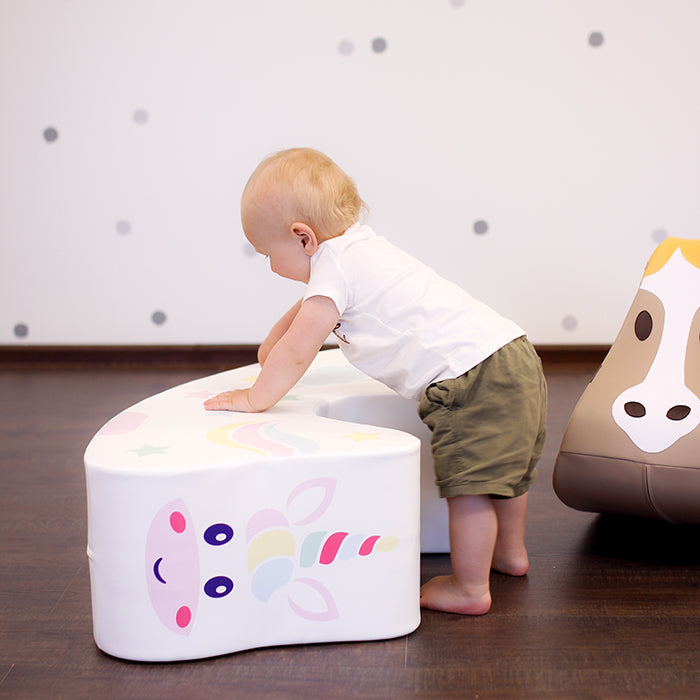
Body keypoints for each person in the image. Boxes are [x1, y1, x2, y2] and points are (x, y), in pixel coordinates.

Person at [204, 147, 547, 615]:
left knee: (469, 485)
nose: (270, 266)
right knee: (504, 473)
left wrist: (254, 396)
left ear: (302, 238)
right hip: (511, 354)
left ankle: (470, 589)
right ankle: (509, 554)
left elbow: (296, 352)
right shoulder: (356, 253)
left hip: (470, 379)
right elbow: (287, 336)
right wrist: (269, 353)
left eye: (268, 254)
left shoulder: (336, 270)